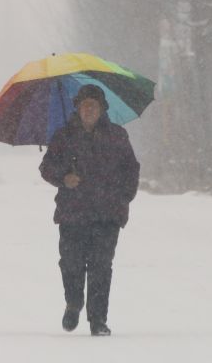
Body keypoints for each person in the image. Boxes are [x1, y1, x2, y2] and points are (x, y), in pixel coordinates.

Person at [39, 84, 140, 337]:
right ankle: (73, 304)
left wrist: (123, 198)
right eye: (85, 105)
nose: (89, 109)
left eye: (93, 105)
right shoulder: (64, 137)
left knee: (101, 267)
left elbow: (131, 169)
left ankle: (98, 320)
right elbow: (46, 167)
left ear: (102, 108)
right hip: (72, 213)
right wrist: (64, 177)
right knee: (71, 263)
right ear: (77, 108)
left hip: (107, 215)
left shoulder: (117, 136)